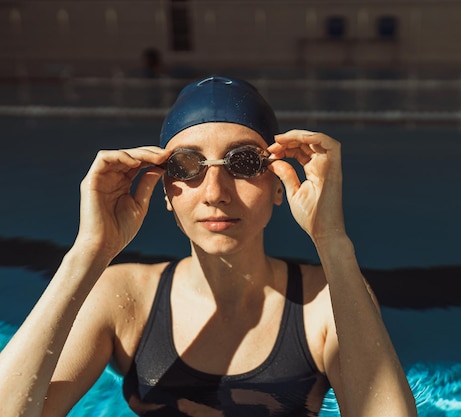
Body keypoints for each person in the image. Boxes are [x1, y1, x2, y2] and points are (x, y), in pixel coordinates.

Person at [0, 76, 417, 417]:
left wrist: (333, 243)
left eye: (244, 163)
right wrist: (87, 253)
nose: (215, 192)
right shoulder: (122, 297)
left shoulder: (326, 302)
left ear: (277, 185)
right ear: (166, 191)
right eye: (186, 166)